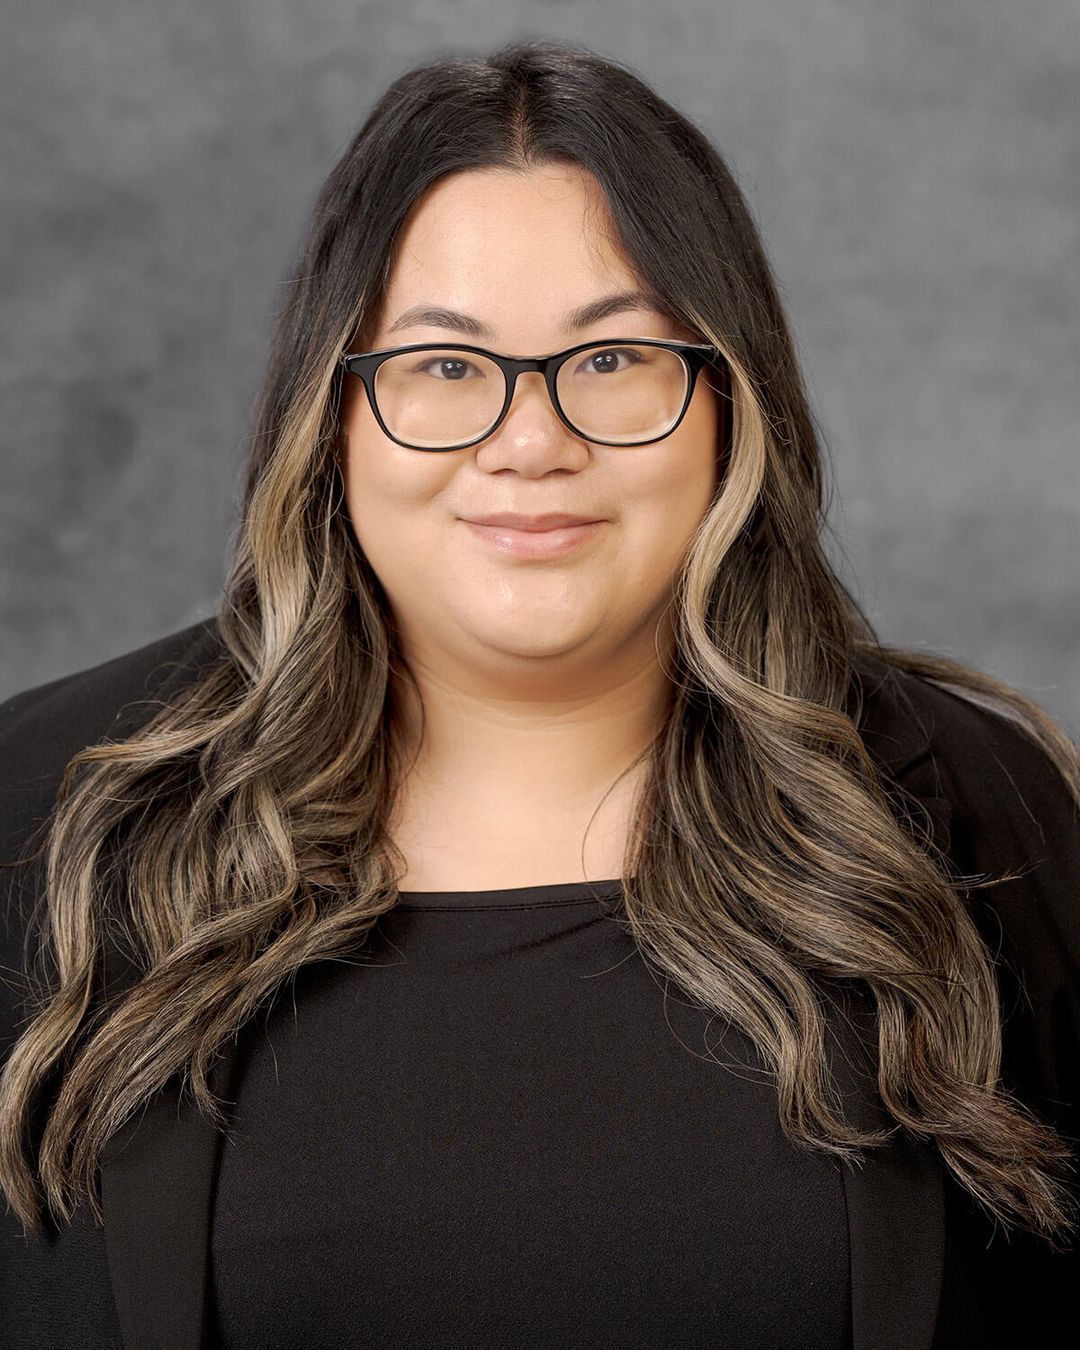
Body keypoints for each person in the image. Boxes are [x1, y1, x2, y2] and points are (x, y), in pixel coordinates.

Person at [1, 37, 1077, 1350]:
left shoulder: (971, 811)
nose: (531, 443)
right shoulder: (53, 813)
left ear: (729, 402)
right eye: (446, 367)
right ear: (327, 417)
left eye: (615, 360)